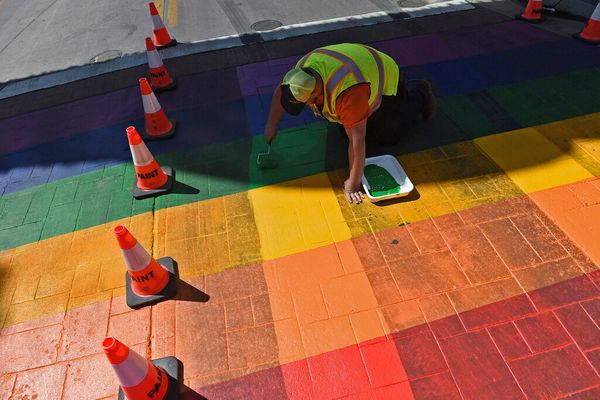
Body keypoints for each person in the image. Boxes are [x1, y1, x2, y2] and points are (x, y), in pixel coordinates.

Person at [264, 43, 437, 204]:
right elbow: (281, 93)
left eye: (306, 103)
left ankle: (421, 92)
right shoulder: (298, 76)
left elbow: (357, 142)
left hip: (386, 77)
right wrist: (271, 125)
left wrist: (352, 183)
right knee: (345, 130)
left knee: (387, 135)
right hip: (361, 68)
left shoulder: (348, 93)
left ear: (315, 94)